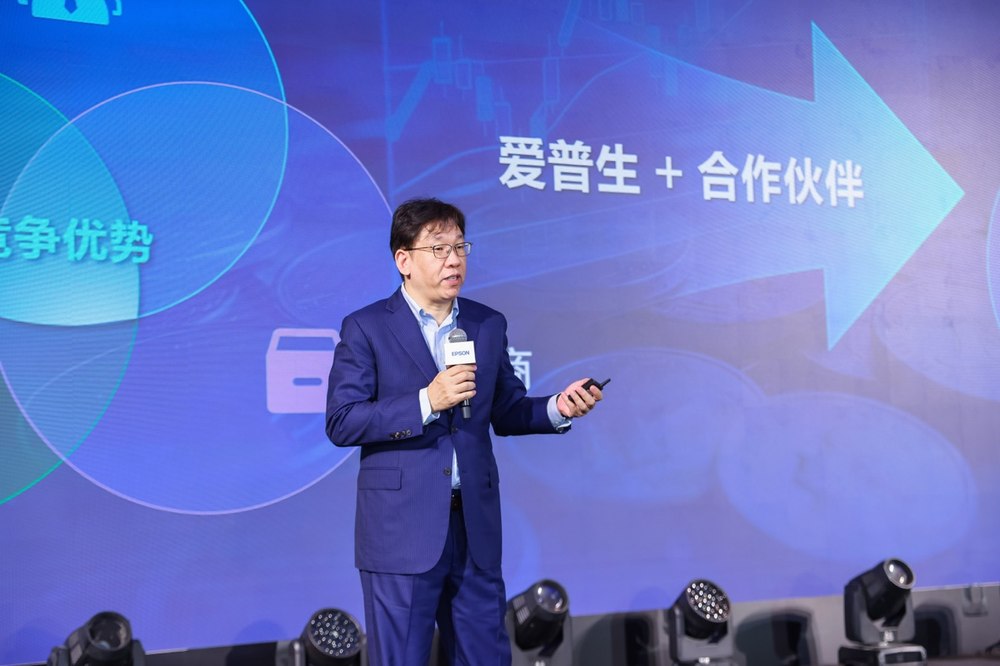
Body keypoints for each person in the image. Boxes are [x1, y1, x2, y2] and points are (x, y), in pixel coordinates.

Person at [325, 198, 603, 665]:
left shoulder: (486, 324)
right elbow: (343, 419)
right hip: (401, 531)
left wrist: (558, 407)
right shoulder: (366, 327)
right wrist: (426, 402)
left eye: (460, 247)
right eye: (439, 249)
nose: (454, 260)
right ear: (404, 260)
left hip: (474, 526)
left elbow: (506, 410)